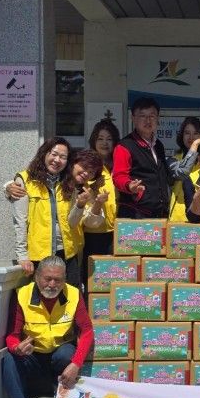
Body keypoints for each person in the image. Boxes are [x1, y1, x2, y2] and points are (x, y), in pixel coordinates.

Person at [1, 255, 94, 398]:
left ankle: (63, 397)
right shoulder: (22, 294)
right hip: (33, 355)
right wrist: (16, 347)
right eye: (47, 279)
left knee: (67, 353)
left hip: (59, 356)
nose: (52, 284)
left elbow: (87, 331)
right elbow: (12, 335)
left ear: (64, 279)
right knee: (9, 359)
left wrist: (76, 364)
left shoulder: (74, 294)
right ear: (37, 277)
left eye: (58, 280)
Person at [8, 145, 106, 288]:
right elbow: (20, 220)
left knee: (70, 293)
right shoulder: (49, 181)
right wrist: (8, 187)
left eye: (91, 172)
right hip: (39, 252)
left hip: (69, 252)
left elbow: (83, 222)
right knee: (41, 293)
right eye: (84, 167)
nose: (86, 173)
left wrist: (94, 204)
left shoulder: (83, 190)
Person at [112, 97, 197, 218]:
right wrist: (129, 185)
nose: (148, 120)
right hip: (135, 214)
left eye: (152, 116)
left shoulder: (158, 145)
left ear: (158, 118)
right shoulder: (124, 146)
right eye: (142, 116)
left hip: (159, 213)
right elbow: (118, 176)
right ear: (133, 118)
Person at [80, 120, 120, 287]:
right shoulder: (86, 165)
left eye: (109, 139)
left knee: (115, 277)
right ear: (93, 141)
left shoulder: (119, 165)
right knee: (93, 280)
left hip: (117, 231)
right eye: (100, 138)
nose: (105, 143)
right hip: (93, 232)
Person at [169, 117, 200, 222]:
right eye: (187, 133)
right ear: (182, 135)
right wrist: (195, 144)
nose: (191, 137)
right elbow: (183, 173)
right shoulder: (173, 159)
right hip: (179, 217)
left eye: (196, 133)